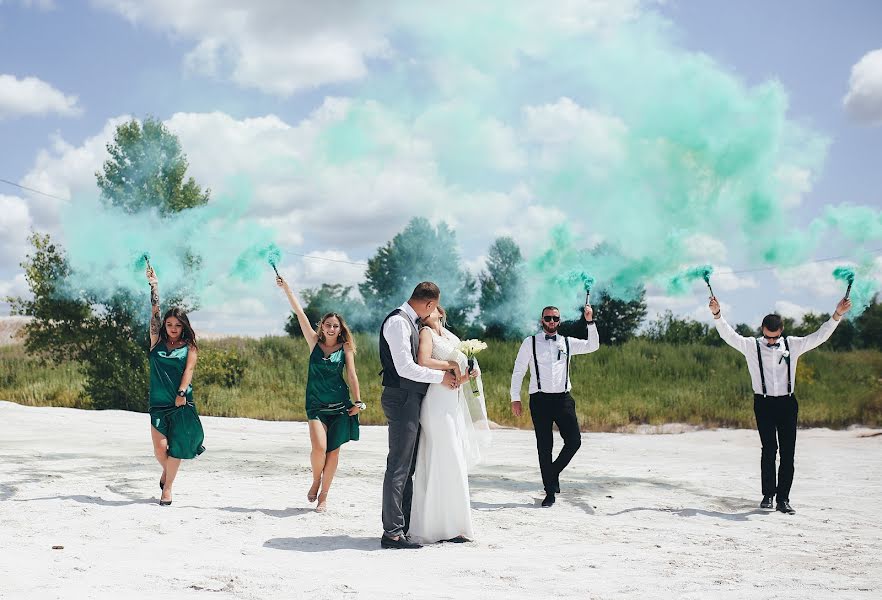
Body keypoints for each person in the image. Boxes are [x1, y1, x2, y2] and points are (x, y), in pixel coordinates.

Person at [709, 295, 852, 514]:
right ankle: (768, 496)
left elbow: (819, 336)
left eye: (775, 338)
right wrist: (717, 314)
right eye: (768, 338)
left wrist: (837, 314)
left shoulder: (793, 345)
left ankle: (783, 499)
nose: (772, 342)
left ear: (782, 330)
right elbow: (728, 335)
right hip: (763, 404)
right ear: (762, 330)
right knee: (769, 450)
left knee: (788, 453)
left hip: (787, 404)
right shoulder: (751, 346)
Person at [379, 282, 459, 550]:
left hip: (410, 398)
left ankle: (404, 527)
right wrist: (441, 377)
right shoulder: (398, 323)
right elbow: (405, 368)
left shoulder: (409, 321)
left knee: (409, 466)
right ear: (430, 304)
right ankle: (391, 533)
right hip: (401, 397)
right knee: (399, 466)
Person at [277, 275, 364, 513]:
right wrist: (287, 289)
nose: (332, 329)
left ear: (340, 328)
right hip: (315, 405)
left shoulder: (345, 347)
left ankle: (324, 497)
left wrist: (358, 403)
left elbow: (352, 375)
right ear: (322, 327)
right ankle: (316, 479)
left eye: (336, 326)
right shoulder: (314, 343)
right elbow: (300, 314)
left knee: (333, 453)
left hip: (340, 407)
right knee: (319, 448)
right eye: (328, 325)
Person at [408, 306, 489, 544]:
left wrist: (468, 374)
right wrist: (451, 365)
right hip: (435, 402)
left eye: (431, 307)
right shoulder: (426, 333)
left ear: (440, 312)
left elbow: (456, 380)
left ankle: (454, 526)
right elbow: (423, 361)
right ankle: (434, 527)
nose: (427, 311)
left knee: (452, 462)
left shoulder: (452, 338)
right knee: (443, 457)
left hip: (451, 402)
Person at [510, 304, 599, 507]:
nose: (552, 321)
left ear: (560, 321)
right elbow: (518, 371)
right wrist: (515, 397)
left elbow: (593, 346)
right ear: (542, 320)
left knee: (574, 441)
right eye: (548, 318)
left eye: (555, 318)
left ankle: (552, 473)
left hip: (563, 400)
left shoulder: (567, 342)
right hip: (539, 400)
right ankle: (550, 492)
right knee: (544, 447)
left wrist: (589, 321)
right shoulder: (530, 342)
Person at [147, 266, 205, 506]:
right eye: (169, 324)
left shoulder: (189, 346)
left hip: (180, 403)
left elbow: (188, 371)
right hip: (159, 403)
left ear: (183, 326)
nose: (172, 327)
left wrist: (181, 392)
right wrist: (154, 286)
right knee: (161, 451)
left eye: (177, 325)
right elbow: (154, 312)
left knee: (177, 447)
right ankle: (167, 471)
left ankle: (167, 489)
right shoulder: (155, 341)